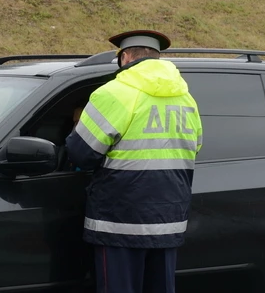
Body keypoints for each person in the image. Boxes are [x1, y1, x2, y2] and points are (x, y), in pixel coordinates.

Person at [64, 30, 203, 293]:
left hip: (120, 221)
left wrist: (76, 123)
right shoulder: (186, 99)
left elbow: (81, 154)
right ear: (157, 58)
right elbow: (195, 147)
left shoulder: (114, 93)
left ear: (125, 57)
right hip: (168, 219)